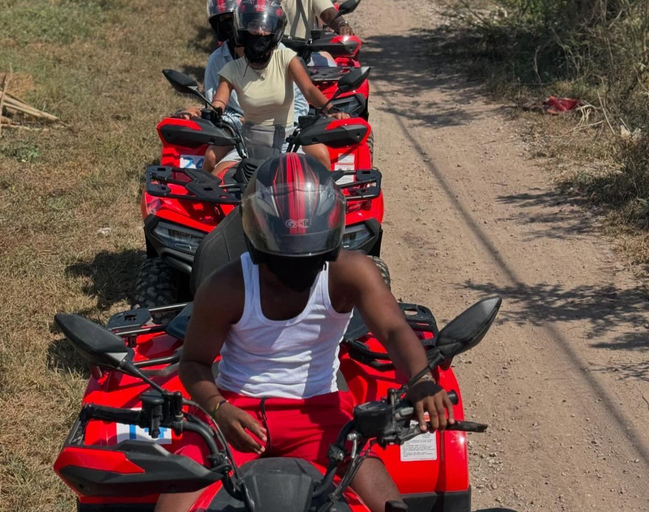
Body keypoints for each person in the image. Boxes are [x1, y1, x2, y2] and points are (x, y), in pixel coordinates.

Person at [154, 154, 455, 512]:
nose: (298, 268)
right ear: (256, 237)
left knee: (392, 507)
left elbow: (393, 330)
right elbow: (194, 363)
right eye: (284, 259)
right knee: (171, 507)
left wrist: (421, 380)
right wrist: (218, 409)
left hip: (323, 416)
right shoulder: (226, 286)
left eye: (310, 257)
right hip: (238, 412)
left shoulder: (352, 273)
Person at [199, 0, 345, 175]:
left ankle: (328, 198)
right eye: (253, 27)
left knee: (321, 156)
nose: (260, 32)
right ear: (242, 29)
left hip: (287, 134)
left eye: (264, 27)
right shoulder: (230, 69)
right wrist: (214, 112)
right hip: (249, 139)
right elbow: (219, 100)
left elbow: (309, 90)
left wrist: (331, 109)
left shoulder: (286, 57)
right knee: (217, 177)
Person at [281, 0, 354, 39]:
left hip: (302, 52)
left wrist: (341, 24)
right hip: (271, 49)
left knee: (328, 61)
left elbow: (328, 12)